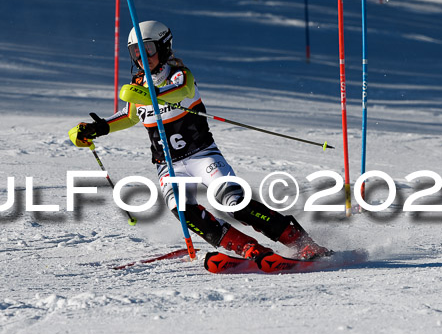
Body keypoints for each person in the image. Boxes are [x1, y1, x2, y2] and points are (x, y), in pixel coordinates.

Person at [68, 21, 330, 262]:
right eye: (135, 52)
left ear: (164, 47)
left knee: (232, 201)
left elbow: (180, 92)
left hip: (202, 156)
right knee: (183, 211)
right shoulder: (137, 86)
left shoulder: (180, 76)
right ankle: (249, 249)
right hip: (167, 164)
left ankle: (300, 242)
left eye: (148, 49)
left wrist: (146, 94)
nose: (142, 58)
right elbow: (128, 115)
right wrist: (97, 128)